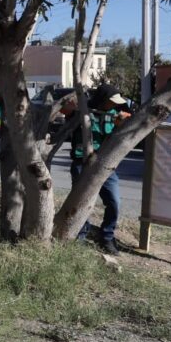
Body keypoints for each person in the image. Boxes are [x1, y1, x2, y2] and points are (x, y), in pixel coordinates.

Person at [62, 84, 131, 255]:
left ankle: (106, 237)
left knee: (114, 202)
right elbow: (64, 112)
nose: (115, 105)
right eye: (111, 102)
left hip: (106, 165)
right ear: (102, 100)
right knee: (81, 202)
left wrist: (121, 124)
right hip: (81, 162)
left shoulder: (115, 115)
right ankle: (80, 234)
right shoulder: (82, 113)